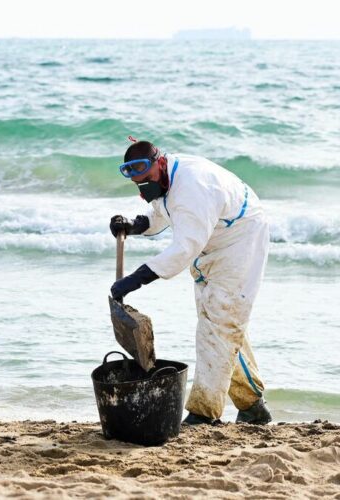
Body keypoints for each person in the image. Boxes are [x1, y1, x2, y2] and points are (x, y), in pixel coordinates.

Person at [109, 139, 272, 425]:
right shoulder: (166, 178)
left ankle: (203, 412)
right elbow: (163, 212)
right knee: (220, 323)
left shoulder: (192, 187)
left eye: (145, 180)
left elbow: (184, 248)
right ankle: (252, 406)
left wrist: (135, 280)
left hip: (240, 242)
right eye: (137, 184)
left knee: (218, 325)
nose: (143, 188)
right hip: (212, 242)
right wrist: (133, 225)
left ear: (159, 163)